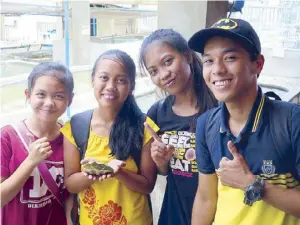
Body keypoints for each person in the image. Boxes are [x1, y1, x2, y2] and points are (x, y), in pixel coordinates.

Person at [188, 18, 300, 225]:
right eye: (209, 61)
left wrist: (254, 185)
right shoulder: (206, 125)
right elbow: (206, 199)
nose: (218, 69)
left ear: (257, 64)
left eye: (230, 58)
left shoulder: (292, 121)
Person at [61, 49, 159, 225]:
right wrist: (95, 171)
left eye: (121, 80)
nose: (111, 86)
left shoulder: (144, 127)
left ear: (131, 87)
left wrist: (119, 172)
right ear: (93, 80)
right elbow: (70, 184)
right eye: (104, 78)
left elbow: (147, 185)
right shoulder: (76, 126)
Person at [139, 29, 217, 225]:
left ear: (187, 56)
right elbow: (165, 172)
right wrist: (161, 161)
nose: (164, 74)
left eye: (168, 61)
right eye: (154, 71)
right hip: (174, 214)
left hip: (215, 214)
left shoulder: (219, 107)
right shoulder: (157, 113)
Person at [1, 62, 74, 225]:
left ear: (70, 99)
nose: (49, 103)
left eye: (59, 96)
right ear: (28, 94)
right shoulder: (7, 137)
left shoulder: (69, 137)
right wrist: (30, 161)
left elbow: (70, 192)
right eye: (41, 94)